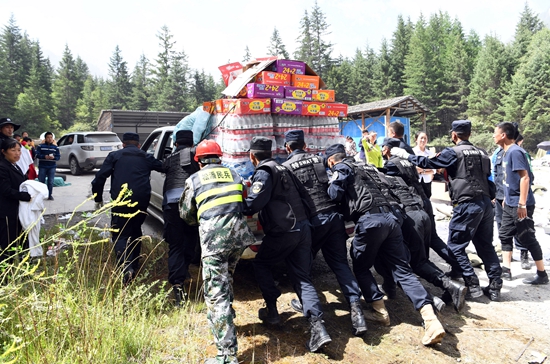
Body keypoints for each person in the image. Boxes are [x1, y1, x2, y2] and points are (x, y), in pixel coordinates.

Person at [324, 143, 446, 346]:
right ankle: (431, 321)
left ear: (330, 161)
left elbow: (334, 194)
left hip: (371, 221)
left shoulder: (342, 167)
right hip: (391, 218)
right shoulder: (366, 166)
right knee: (403, 270)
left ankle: (379, 311)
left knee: (361, 265)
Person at [391, 120, 503, 301]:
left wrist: (406, 156)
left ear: (453, 135)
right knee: (485, 246)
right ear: (469, 134)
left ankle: (472, 283)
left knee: (456, 246)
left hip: (467, 204)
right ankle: (495, 286)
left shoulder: (453, 152)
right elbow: (488, 178)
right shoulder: (482, 153)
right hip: (485, 204)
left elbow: (428, 162)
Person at [243, 136, 332, 353]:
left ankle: (272, 311)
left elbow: (253, 204)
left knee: (262, 264)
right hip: (303, 229)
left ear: (252, 156)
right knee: (302, 277)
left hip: (284, 231)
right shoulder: (283, 167)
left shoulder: (264, 172)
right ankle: (318, 327)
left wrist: (238, 200)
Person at [281, 129, 367, 336]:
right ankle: (357, 312)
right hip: (335, 218)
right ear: (305, 145)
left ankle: (310, 309)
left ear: (287, 148)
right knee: (340, 264)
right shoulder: (320, 160)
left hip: (314, 222)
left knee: (301, 267)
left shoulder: (285, 167)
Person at [179, 139, 255, 364]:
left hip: (214, 242)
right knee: (226, 281)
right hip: (239, 239)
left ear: (199, 161)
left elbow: (186, 214)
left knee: (216, 295)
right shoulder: (234, 175)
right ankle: (227, 322)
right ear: (219, 158)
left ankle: (227, 356)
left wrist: (201, 220)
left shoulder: (194, 180)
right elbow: (242, 200)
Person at [91, 132, 163, 283]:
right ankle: (134, 264)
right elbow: (163, 167)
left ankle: (125, 268)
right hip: (142, 200)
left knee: (120, 233)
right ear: (138, 145)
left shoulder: (115, 156)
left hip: (121, 200)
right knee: (136, 230)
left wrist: (97, 198)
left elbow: (99, 178)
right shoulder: (145, 156)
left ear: (123, 144)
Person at [494, 122, 548, 285]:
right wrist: (505, 199)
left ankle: (542, 274)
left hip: (520, 204)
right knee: (504, 234)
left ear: (503, 135)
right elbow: (508, 179)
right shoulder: (505, 152)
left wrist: (522, 204)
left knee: (527, 237)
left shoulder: (515, 152)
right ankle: (506, 269)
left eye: (495, 132)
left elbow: (525, 177)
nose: (493, 135)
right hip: (510, 202)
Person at [162, 130, 200, 305]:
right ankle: (183, 271)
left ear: (176, 143)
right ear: (192, 143)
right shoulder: (197, 155)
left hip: (170, 204)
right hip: (191, 203)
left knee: (176, 244)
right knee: (190, 239)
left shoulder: (169, 159)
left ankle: (178, 286)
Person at [491, 140, 531, 272]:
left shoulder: (519, 153)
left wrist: (521, 200)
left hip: (514, 197)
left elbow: (527, 176)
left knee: (521, 229)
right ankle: (507, 259)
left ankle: (524, 254)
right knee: (503, 228)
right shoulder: (498, 154)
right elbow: (495, 174)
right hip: (501, 195)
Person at [0, 138, 32, 265]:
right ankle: (6, 274)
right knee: (8, 243)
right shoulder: (2, 167)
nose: (17, 153)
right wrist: (25, 196)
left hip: (17, 211)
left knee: (23, 240)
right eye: (13, 150)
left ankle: (24, 268)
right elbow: (6, 190)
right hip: (7, 212)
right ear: (4, 152)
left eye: (19, 150)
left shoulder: (15, 165)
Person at [36, 132, 60, 200]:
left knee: (51, 181)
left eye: (51, 137)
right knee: (41, 181)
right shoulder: (40, 146)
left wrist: (54, 158)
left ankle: (50, 195)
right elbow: (37, 155)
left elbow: (58, 157)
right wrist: (44, 156)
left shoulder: (55, 147)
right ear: (45, 138)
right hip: (42, 166)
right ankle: (41, 195)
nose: (49, 139)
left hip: (52, 166)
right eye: (48, 137)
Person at [412, 131, 436, 198]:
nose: (423, 140)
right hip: (416, 182)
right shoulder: (412, 153)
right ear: (416, 139)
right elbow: (413, 168)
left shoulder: (430, 154)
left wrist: (422, 170)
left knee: (427, 200)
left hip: (427, 182)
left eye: (425, 138)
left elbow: (434, 170)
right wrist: (427, 169)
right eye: (421, 138)